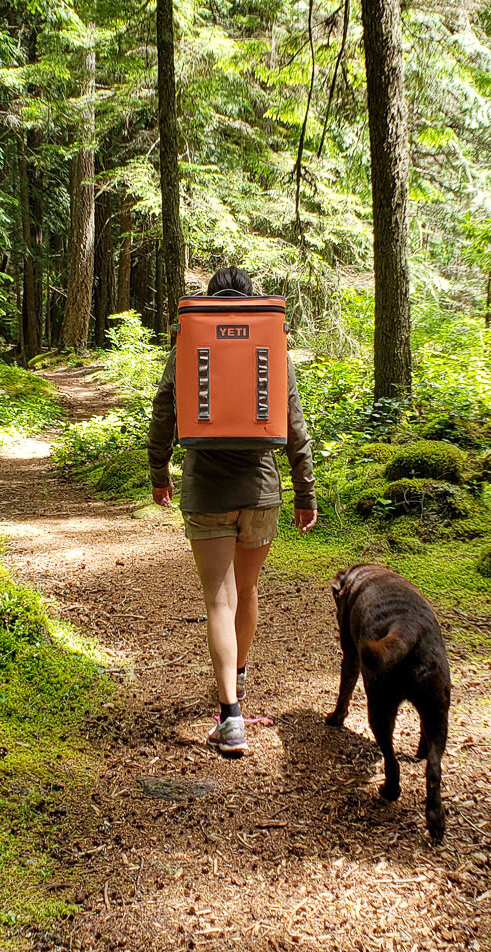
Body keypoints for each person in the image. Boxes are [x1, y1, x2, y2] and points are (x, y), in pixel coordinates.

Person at [147, 266, 318, 756]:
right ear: (248, 301)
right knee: (247, 590)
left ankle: (230, 718)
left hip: (206, 491)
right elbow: (294, 424)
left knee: (218, 601)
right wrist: (305, 493)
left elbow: (165, 411)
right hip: (261, 492)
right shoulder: (270, 343)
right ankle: (238, 681)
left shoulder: (190, 342)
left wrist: (160, 474)